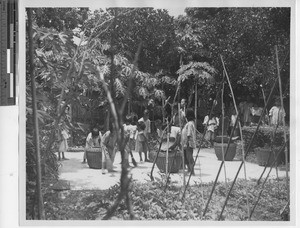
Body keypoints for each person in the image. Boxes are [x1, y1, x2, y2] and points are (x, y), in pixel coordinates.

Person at [181, 109, 196, 175]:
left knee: (189, 157)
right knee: (186, 157)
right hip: (185, 143)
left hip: (188, 143)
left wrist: (186, 143)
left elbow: (189, 134)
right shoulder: (189, 123)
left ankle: (192, 171)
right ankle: (189, 170)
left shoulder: (190, 124)